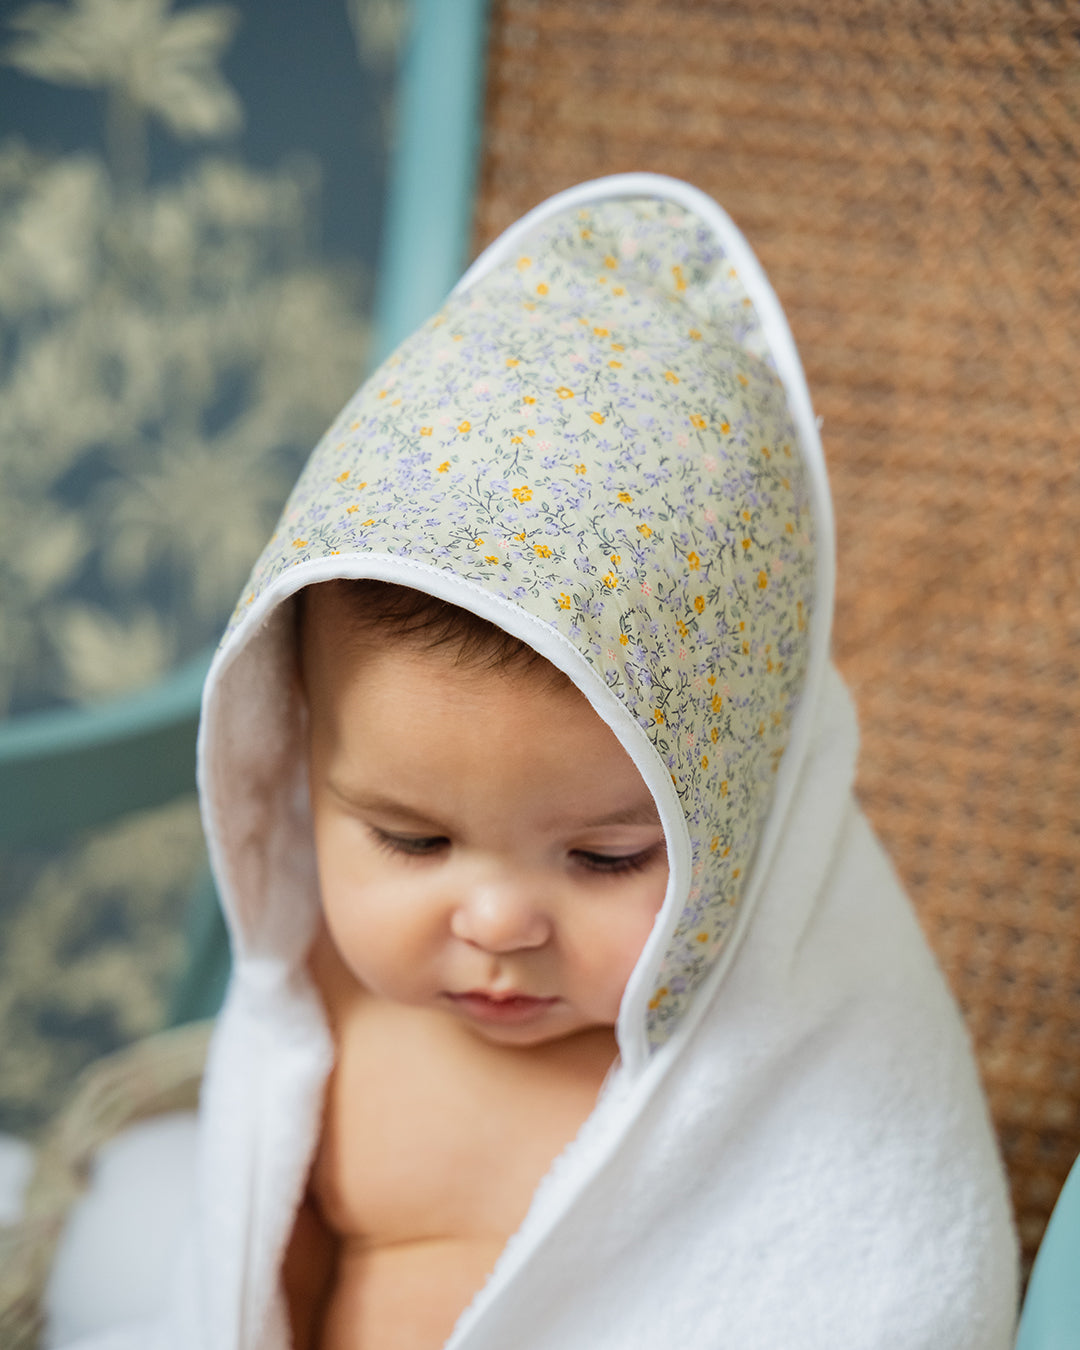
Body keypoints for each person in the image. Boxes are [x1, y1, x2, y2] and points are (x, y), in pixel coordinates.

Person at [63, 175, 1018, 1349]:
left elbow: (875, 1287)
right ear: (299, 759)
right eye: (412, 839)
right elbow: (256, 1270)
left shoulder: (794, 1064)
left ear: (747, 819)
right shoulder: (326, 995)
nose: (502, 921)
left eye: (608, 856)